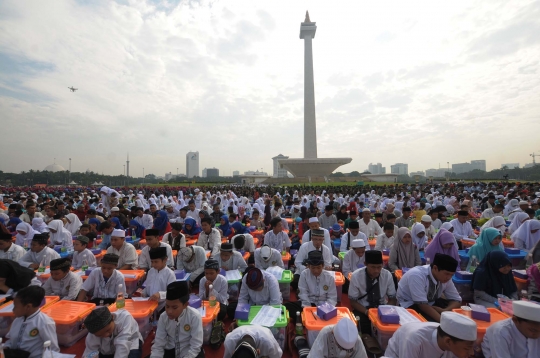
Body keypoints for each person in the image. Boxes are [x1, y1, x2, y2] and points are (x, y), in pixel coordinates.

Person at [397, 253, 462, 322]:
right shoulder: (416, 275)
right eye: (447, 274)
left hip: (431, 303)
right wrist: (443, 322)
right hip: (411, 305)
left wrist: (444, 311)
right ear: (435, 268)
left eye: (451, 275)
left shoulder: (446, 278)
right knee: (433, 325)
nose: (449, 277)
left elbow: (457, 300)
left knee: (457, 317)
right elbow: (422, 305)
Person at [385, 311, 477, 358]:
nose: (471, 353)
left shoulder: (452, 339)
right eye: (467, 348)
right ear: (448, 341)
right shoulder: (414, 339)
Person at [150, 281, 204, 358]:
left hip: (188, 350)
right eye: (167, 306)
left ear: (185, 305)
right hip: (171, 350)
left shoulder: (194, 316)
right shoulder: (163, 317)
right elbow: (159, 345)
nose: (169, 311)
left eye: (174, 307)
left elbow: (195, 346)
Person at [4, 286, 60, 358]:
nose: (13, 310)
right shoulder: (17, 320)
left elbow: (53, 350)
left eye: (15, 306)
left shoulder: (45, 322)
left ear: (28, 307)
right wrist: (6, 347)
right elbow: (11, 341)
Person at [349, 250, 396, 334]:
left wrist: (385, 311)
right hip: (363, 309)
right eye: (373, 267)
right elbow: (353, 302)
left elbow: (392, 299)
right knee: (359, 327)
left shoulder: (387, 275)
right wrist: (368, 312)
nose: (376, 271)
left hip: (383, 308)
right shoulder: (356, 276)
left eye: (379, 267)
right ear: (365, 264)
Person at [286, 251, 337, 320]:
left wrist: (324, 310)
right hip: (308, 303)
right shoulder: (304, 274)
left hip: (324, 305)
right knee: (286, 307)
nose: (316, 271)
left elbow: (332, 298)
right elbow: (303, 294)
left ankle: (303, 320)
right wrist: (308, 310)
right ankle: (307, 319)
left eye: (319, 267)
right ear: (308, 266)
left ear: (323, 265)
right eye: (313, 268)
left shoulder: (329, 277)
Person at [142, 247, 176, 311]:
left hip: (164, 305)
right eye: (152, 262)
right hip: (150, 303)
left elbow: (172, 293)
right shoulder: (150, 272)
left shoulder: (169, 274)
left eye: (156, 262)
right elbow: (148, 287)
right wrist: (143, 293)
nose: (153, 264)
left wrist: (160, 294)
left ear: (165, 260)